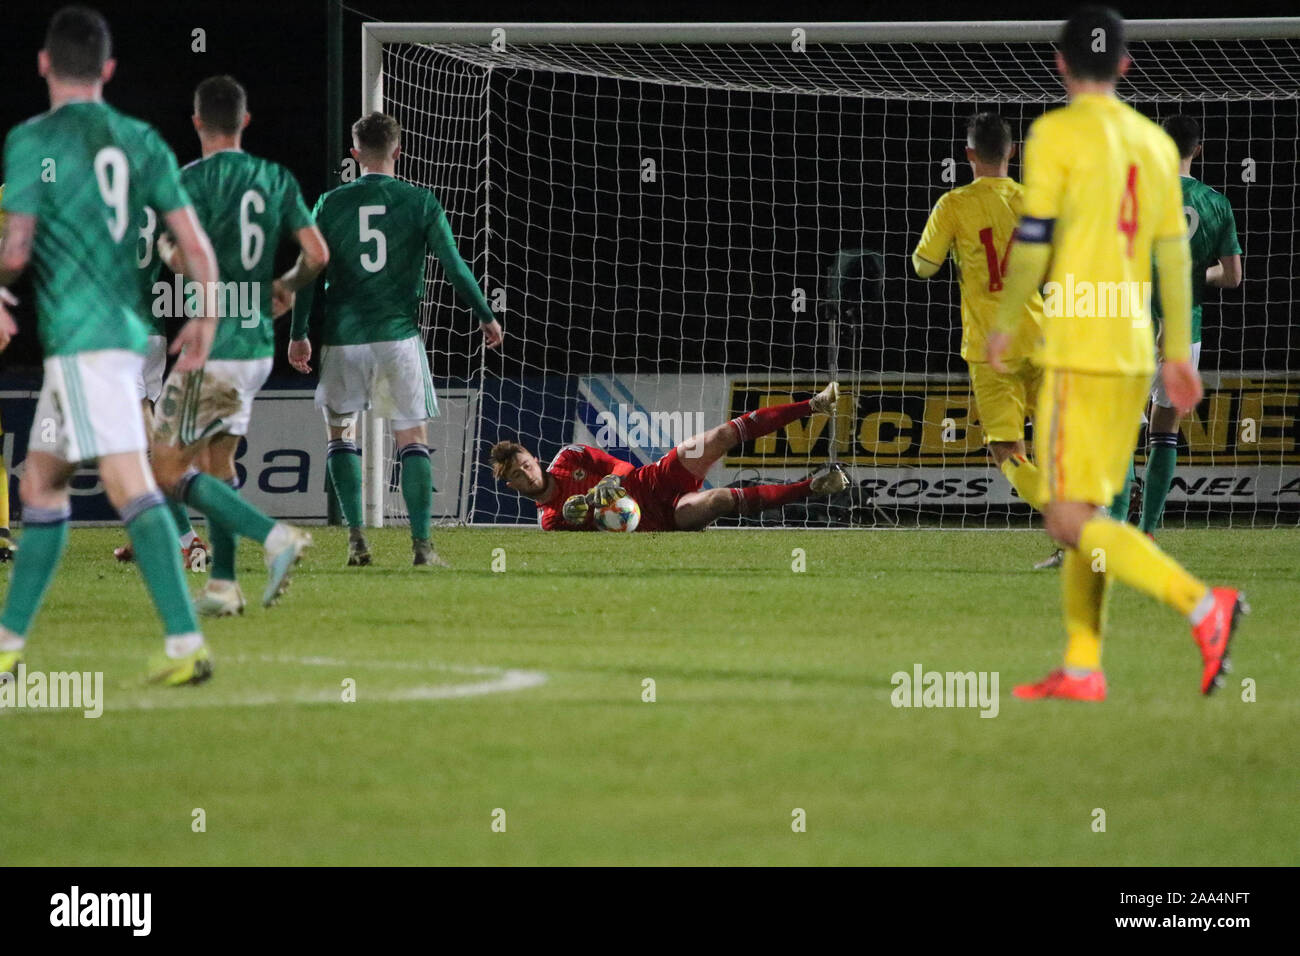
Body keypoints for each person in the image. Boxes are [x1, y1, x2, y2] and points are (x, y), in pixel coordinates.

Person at [986, 6, 1245, 701]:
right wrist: (1178, 353)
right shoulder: (1155, 146)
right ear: (1126, 66)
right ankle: (1081, 664)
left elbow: (1034, 237)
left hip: (1079, 345)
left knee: (1068, 517)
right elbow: (1171, 256)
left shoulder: (1054, 133)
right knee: (1089, 508)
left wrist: (1008, 319)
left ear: (1061, 65)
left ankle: (1202, 604)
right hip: (1134, 345)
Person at [0, 5, 220, 684]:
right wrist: (205, 318)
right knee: (39, 480)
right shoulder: (145, 140)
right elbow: (196, 248)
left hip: (87, 341)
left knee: (131, 483)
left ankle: (187, 644)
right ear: (109, 70)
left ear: (43, 65)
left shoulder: (33, 140)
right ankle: (7, 647)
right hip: (112, 339)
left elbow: (15, 249)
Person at [290, 112, 504, 567]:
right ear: (398, 151)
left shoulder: (329, 203)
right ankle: (422, 547)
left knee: (340, 435)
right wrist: (485, 314)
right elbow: (454, 265)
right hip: (397, 339)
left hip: (343, 340)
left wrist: (298, 333)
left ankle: (355, 542)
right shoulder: (420, 201)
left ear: (354, 154)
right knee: (411, 438)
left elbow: (307, 273)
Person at [148, 75, 325, 616]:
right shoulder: (274, 177)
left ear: (197, 121)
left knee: (165, 468)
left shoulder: (187, 182)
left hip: (215, 342)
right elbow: (316, 254)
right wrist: (285, 289)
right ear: (245, 121)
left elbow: (185, 262)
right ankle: (223, 586)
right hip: (255, 346)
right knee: (217, 465)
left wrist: (166, 248)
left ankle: (274, 537)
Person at [491, 383, 850, 531]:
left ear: (534, 458)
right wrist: (584, 514)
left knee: (719, 436)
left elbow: (620, 465)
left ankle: (813, 404)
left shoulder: (569, 457)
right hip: (661, 518)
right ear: (512, 484)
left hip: (656, 477)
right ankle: (814, 487)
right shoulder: (552, 520)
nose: (527, 474)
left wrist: (611, 480)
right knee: (720, 499)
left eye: (526, 464)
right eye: (519, 475)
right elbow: (600, 538)